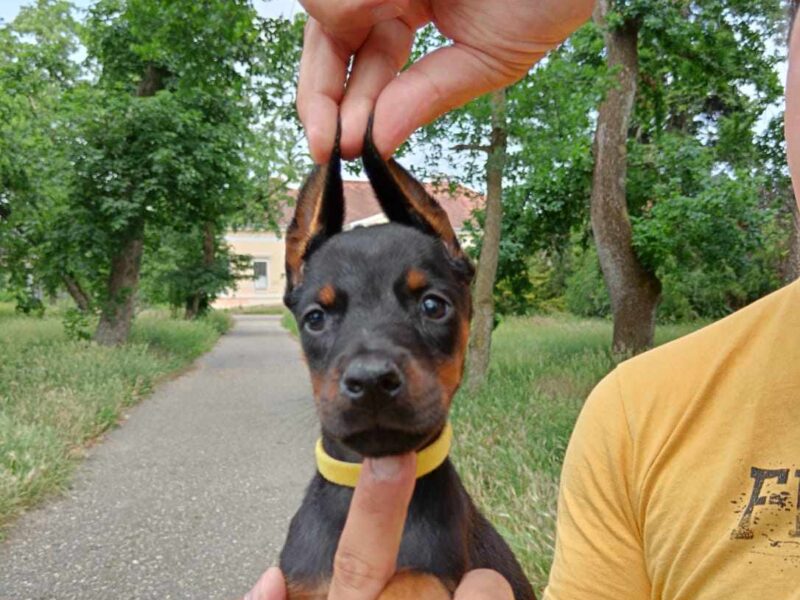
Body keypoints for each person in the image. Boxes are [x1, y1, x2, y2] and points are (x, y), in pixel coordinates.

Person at [247, 1, 800, 598]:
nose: (371, 364)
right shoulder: (639, 417)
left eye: (429, 306)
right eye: (320, 317)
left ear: (464, 298)